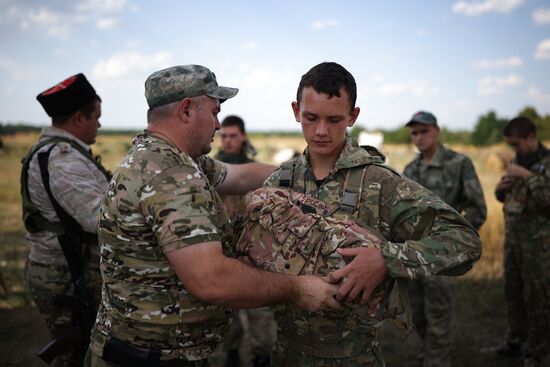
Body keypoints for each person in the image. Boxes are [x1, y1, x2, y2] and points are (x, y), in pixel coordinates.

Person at [86, 64, 340, 367]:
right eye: (214, 112)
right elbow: (211, 280)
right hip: (153, 357)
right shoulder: (170, 175)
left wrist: (310, 177)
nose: (218, 125)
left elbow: (241, 177)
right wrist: (298, 288)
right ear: (186, 110)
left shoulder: (169, 157)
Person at [234, 62, 483, 366]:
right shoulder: (280, 181)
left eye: (335, 119)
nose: (321, 131)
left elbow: (465, 241)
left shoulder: (380, 183)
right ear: (296, 111)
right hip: (287, 353)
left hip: (355, 357)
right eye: (310, 118)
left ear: (353, 116)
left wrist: (386, 259)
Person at [21, 73, 109, 366]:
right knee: (76, 353)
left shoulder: (66, 152)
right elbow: (98, 218)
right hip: (65, 274)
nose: (99, 123)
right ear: (78, 119)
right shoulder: (63, 159)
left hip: (68, 269)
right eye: (96, 116)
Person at [403, 111, 487, 367]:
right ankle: (430, 352)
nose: (419, 137)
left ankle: (437, 360)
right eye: (414, 133)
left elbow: (477, 208)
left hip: (443, 258)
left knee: (438, 316)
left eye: (424, 131)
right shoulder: (411, 168)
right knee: (418, 314)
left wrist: (454, 239)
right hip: (414, 255)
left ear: (437, 131)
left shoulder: (459, 163)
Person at [484, 117, 550, 367]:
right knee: (513, 291)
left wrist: (527, 176)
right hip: (514, 241)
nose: (513, 151)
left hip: (539, 245)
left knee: (538, 297)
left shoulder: (546, 162)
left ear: (531, 137)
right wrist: (502, 187)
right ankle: (515, 340)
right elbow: (507, 199)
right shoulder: (517, 161)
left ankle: (537, 350)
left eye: (517, 144)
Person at [213, 116, 275, 367]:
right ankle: (232, 356)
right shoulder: (212, 173)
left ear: (243, 137)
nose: (228, 140)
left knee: (260, 314)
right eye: (224, 135)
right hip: (224, 256)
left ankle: (262, 357)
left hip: (254, 256)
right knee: (229, 316)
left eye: (233, 135)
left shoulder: (254, 172)